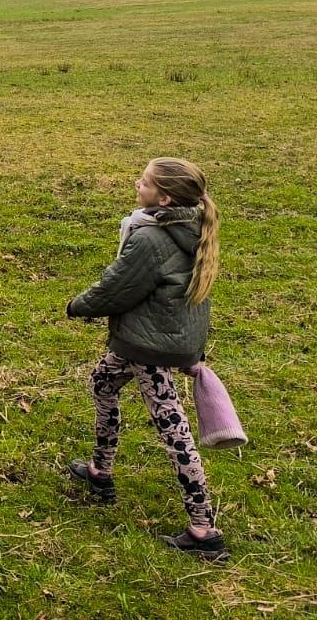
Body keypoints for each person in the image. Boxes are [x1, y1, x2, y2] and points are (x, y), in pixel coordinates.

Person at [65, 157, 226, 562]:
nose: (137, 184)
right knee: (103, 382)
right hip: (163, 335)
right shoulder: (190, 226)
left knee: (172, 426)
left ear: (164, 198)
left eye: (144, 181)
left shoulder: (151, 239)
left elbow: (116, 288)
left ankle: (203, 529)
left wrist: (77, 306)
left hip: (149, 344)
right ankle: (100, 472)